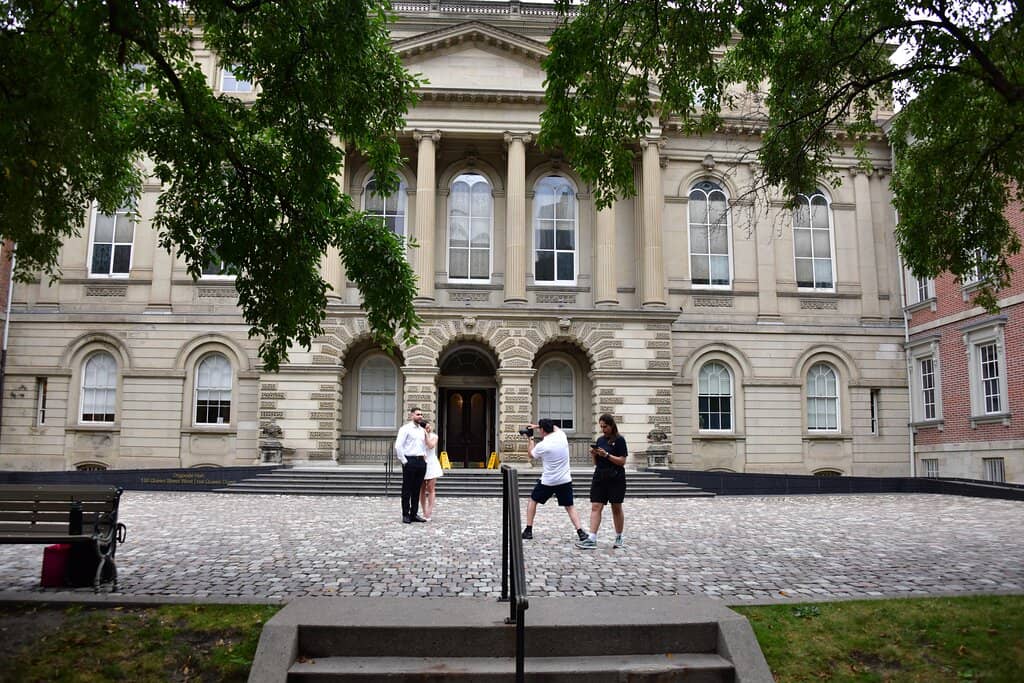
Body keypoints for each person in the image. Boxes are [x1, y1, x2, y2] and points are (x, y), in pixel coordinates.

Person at [521, 418, 587, 543]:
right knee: (570, 506)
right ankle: (581, 532)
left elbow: (531, 454)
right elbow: (555, 426)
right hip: (564, 479)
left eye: (540, 429)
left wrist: (530, 438)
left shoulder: (543, 445)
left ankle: (528, 530)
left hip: (548, 480)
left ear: (543, 430)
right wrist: (537, 426)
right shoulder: (561, 436)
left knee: (533, 500)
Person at [576, 413, 628, 549]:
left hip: (616, 478)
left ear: (611, 425)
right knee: (596, 506)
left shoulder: (620, 440)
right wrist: (594, 454)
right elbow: (596, 463)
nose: (603, 429)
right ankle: (592, 537)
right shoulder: (600, 440)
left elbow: (622, 461)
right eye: (601, 427)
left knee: (616, 507)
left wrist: (607, 455)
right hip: (600, 476)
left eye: (605, 427)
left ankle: (619, 536)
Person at [394, 407, 428, 524]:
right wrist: (404, 461)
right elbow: (398, 446)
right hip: (410, 461)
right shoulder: (405, 429)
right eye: (418, 414)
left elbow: (423, 446)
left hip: (421, 462)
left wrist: (424, 459)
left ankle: (414, 513)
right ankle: (405, 514)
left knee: (416, 489)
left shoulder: (421, 430)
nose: (420, 416)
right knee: (407, 489)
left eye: (421, 415)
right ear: (412, 415)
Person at [419, 421, 442, 521]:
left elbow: (430, 446)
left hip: (432, 463)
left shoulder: (434, 436)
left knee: (431, 487)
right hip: (422, 463)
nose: (429, 429)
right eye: (427, 428)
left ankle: (429, 511)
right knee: (422, 488)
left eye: (430, 426)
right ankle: (424, 510)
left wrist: (426, 435)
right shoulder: (419, 437)